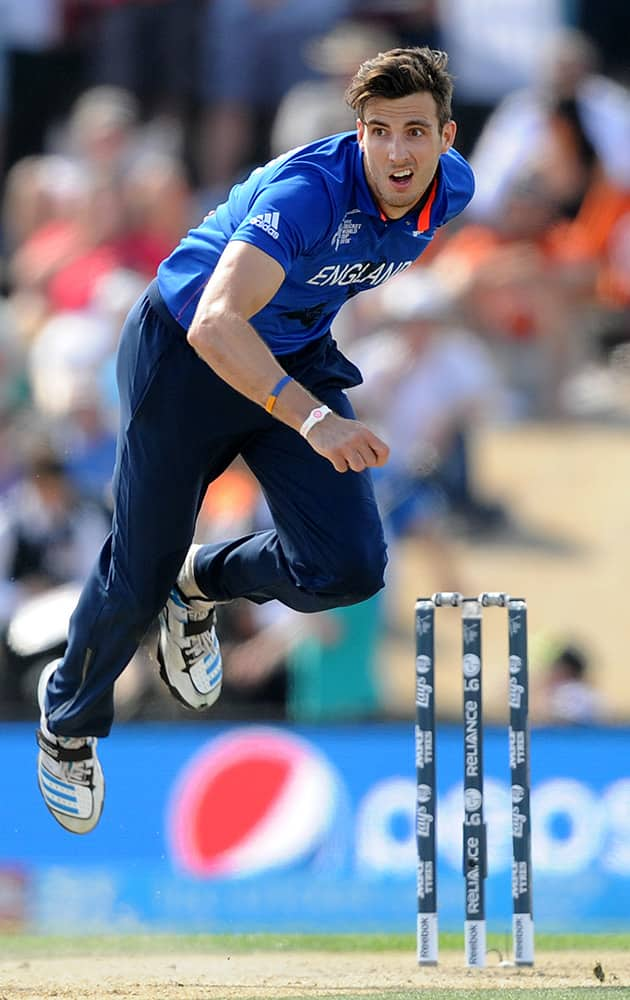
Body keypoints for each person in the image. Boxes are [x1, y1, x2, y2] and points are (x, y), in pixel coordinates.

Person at [35, 46, 474, 834]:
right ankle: (66, 721)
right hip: (186, 352)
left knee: (347, 567)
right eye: (380, 132)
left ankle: (200, 584)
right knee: (139, 570)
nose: (398, 152)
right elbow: (216, 320)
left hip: (294, 350)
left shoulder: (454, 191)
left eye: (416, 131)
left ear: (447, 135)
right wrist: (312, 417)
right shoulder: (309, 193)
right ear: (360, 135)